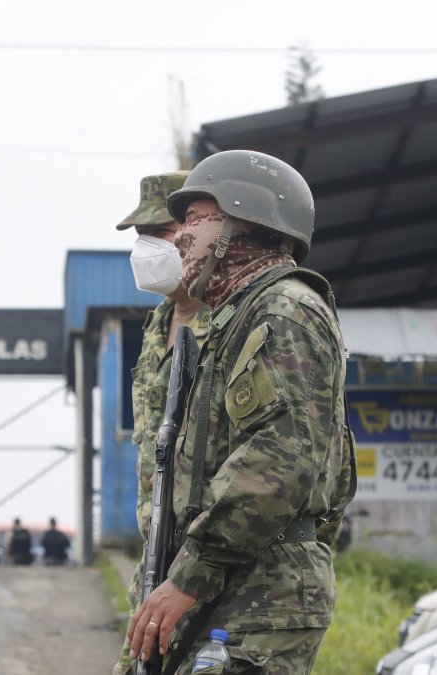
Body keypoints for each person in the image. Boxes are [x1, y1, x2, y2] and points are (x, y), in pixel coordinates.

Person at [126, 150, 356, 674]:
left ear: (241, 223)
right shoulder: (238, 317)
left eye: (194, 219)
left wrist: (190, 574)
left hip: (258, 594)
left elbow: (278, 465)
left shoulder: (284, 311)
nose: (180, 238)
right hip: (222, 583)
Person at [114, 170, 212, 675]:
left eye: (160, 233)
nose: (147, 249)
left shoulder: (233, 319)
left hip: (212, 571)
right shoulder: (156, 325)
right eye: (141, 237)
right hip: (156, 566)